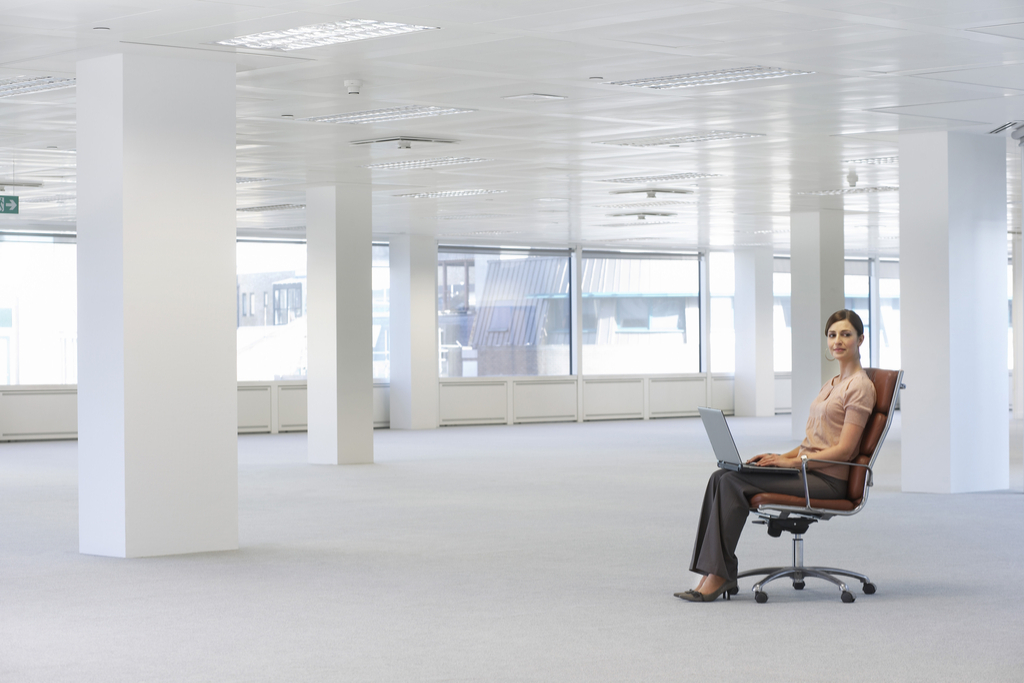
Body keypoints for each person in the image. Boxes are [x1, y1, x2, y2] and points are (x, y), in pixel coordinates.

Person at [676, 309, 876, 602]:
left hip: (826, 479)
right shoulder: (832, 383)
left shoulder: (860, 387)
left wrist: (792, 463)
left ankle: (720, 575)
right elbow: (813, 441)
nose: (838, 341)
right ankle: (712, 572)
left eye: (846, 334)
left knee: (733, 483)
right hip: (806, 470)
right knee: (721, 476)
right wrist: (779, 456)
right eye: (832, 335)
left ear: (860, 339)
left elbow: (844, 450)